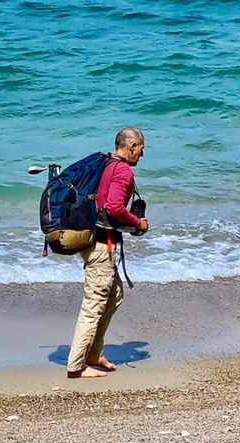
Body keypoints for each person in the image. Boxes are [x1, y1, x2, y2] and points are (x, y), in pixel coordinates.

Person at [66, 127, 149, 378]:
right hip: (102, 246)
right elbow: (113, 207)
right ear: (131, 146)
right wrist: (137, 222)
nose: (142, 156)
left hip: (95, 240)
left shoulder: (105, 163)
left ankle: (93, 353)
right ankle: (76, 366)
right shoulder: (122, 171)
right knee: (94, 305)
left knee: (114, 294)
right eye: (141, 150)